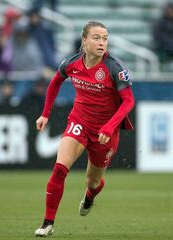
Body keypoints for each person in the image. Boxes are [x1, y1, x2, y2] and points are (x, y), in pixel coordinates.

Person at [34, 21, 135, 237]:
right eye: (97, 38)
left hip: (105, 132)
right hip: (79, 121)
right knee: (60, 169)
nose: (101, 43)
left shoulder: (115, 68)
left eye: (105, 38)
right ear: (85, 41)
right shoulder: (72, 62)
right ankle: (47, 223)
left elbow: (128, 102)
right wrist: (45, 114)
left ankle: (90, 196)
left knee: (94, 181)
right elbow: (54, 83)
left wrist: (109, 127)